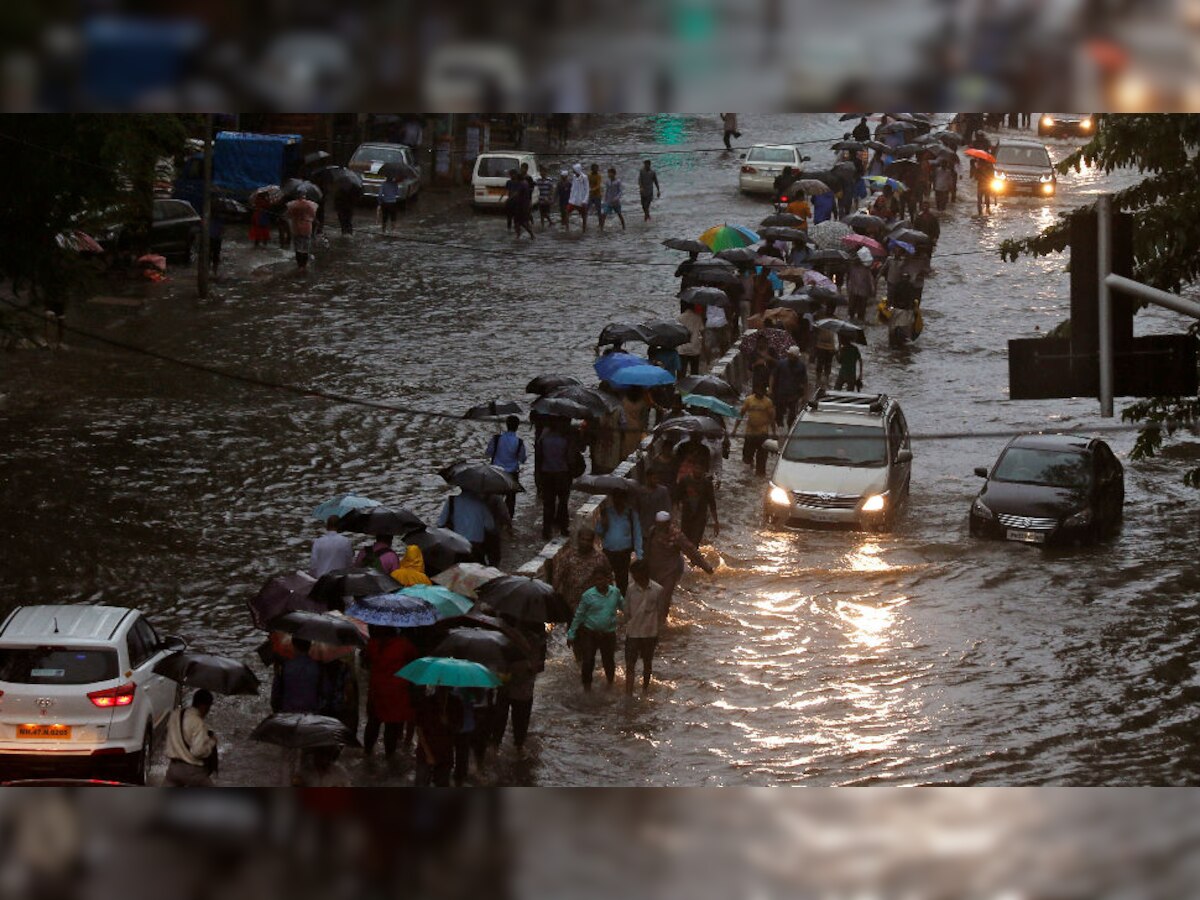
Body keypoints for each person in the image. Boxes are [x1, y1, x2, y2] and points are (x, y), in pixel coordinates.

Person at [645, 511, 714, 622]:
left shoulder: (676, 535)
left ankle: (662, 624)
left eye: (663, 525)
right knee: (653, 599)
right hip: (654, 571)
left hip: (670, 572)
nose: (661, 527)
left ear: (668, 523)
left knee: (664, 600)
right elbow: (647, 549)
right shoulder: (652, 532)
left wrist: (706, 566)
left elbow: (691, 550)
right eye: (659, 525)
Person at [362, 625, 419, 757]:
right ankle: (389, 757)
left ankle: (367, 753)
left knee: (373, 722)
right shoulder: (404, 644)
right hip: (396, 692)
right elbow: (414, 660)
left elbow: (365, 663)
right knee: (392, 725)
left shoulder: (372, 643)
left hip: (376, 690)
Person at [567, 570, 625, 691]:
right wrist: (571, 634)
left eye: (602, 579)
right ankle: (587, 688)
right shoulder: (588, 595)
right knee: (588, 660)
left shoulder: (615, 592)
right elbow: (579, 616)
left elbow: (624, 607)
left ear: (607, 580)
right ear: (593, 581)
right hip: (590, 632)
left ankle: (610, 685)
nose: (600, 582)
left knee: (609, 661)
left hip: (608, 633)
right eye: (597, 580)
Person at [551, 524, 615, 613]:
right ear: (578, 539)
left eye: (588, 540)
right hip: (570, 604)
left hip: (592, 605)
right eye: (583, 539)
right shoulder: (568, 556)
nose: (585, 542)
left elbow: (609, 577)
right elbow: (558, 576)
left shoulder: (600, 558)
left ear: (592, 541)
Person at [623, 560, 663, 696]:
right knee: (630, 665)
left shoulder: (657, 590)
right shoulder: (630, 589)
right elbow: (626, 611)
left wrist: (658, 631)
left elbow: (661, 612)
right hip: (633, 632)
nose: (634, 577)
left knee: (647, 663)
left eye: (635, 574)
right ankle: (628, 693)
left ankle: (645, 690)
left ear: (643, 573)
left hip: (649, 633)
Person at [163, 689, 217, 786]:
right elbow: (198, 751)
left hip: (173, 769)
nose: (207, 712)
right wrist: (211, 743)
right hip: (193, 773)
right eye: (208, 708)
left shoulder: (175, 714)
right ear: (204, 706)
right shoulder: (198, 722)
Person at [595, 490, 643, 595]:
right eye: (616, 498)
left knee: (622, 580)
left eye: (621, 498)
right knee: (606, 578)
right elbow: (598, 532)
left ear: (625, 500)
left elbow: (637, 533)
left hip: (624, 553)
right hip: (608, 552)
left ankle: (622, 604)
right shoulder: (606, 512)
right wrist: (603, 522)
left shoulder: (630, 513)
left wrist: (639, 555)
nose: (618, 501)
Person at [414, 687, 461, 787]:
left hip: (445, 754)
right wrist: (428, 754)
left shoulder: (456, 703)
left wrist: (448, 723)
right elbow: (419, 729)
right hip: (426, 752)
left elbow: (458, 728)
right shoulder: (426, 702)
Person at [536, 422, 575, 539]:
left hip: (547, 474)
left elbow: (539, 459)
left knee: (548, 504)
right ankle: (564, 529)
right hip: (562, 474)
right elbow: (570, 459)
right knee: (563, 503)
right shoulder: (565, 441)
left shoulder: (543, 441)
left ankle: (546, 531)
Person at [437, 487, 496, 563]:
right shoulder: (481, 503)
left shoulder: (451, 501)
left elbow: (441, 523)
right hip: (476, 546)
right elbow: (490, 526)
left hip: (456, 544)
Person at [731, 380, 776, 477]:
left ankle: (759, 476)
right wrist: (735, 429)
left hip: (763, 434)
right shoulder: (749, 400)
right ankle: (750, 469)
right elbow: (741, 414)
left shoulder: (768, 402)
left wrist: (774, 432)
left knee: (762, 461)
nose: (760, 391)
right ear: (755, 390)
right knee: (746, 458)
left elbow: (772, 418)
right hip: (750, 433)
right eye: (758, 389)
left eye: (762, 390)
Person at [486, 415, 527, 519]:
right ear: (517, 427)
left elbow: (488, 453)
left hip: (496, 472)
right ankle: (508, 522)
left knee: (494, 499)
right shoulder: (519, 442)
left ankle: (493, 520)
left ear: (506, 425)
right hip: (512, 474)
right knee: (510, 501)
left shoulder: (496, 439)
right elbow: (522, 459)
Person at [271, 639, 323, 714]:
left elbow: (275, 697)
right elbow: (324, 694)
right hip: (312, 716)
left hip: (288, 714)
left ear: (293, 646)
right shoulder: (318, 667)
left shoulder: (285, 667)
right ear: (310, 646)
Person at [675, 462, 719, 547]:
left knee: (695, 542)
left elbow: (712, 503)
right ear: (693, 468)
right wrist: (675, 517)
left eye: (700, 469)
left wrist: (716, 521)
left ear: (704, 471)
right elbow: (676, 499)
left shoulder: (707, 483)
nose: (698, 471)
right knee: (684, 541)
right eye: (696, 468)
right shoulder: (685, 480)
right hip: (686, 515)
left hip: (700, 517)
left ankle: (693, 558)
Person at [771, 345, 808, 428]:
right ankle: (780, 429)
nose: (790, 357)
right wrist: (770, 389)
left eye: (792, 356)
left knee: (792, 415)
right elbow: (773, 376)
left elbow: (805, 382)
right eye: (789, 355)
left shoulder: (801, 366)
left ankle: (789, 430)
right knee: (779, 414)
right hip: (781, 394)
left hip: (794, 395)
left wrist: (805, 396)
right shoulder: (781, 363)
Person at [285, 194, 318, 269]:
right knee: (305, 246)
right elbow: (313, 216)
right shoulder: (311, 205)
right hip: (307, 227)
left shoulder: (292, 205)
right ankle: (304, 264)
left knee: (297, 246)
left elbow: (288, 215)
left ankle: (299, 265)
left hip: (296, 228)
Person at [846, 246, 877, 323]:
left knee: (861, 304)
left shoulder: (865, 269)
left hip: (862, 289)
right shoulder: (853, 267)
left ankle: (859, 317)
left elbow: (870, 279)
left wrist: (872, 289)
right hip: (855, 289)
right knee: (854, 303)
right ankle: (853, 316)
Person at [888, 271, 919, 346]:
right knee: (895, 327)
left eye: (905, 278)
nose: (904, 279)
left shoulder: (909, 286)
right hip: (898, 309)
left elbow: (912, 298)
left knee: (903, 325)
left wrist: (910, 307)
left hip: (904, 309)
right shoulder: (898, 286)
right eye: (903, 277)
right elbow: (892, 297)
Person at [677, 300, 705, 377]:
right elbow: (702, 329)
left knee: (681, 372)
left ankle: (680, 387)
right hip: (695, 347)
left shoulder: (680, 318)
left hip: (683, 347)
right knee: (694, 371)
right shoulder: (698, 317)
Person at [600, 167, 626, 231]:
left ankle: (624, 227)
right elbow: (607, 191)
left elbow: (620, 192)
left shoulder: (618, 181)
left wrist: (616, 198)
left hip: (616, 202)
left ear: (614, 174)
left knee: (619, 214)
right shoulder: (607, 181)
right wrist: (604, 200)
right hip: (608, 201)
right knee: (604, 214)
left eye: (610, 173)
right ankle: (601, 229)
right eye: (608, 173)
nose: (608, 174)